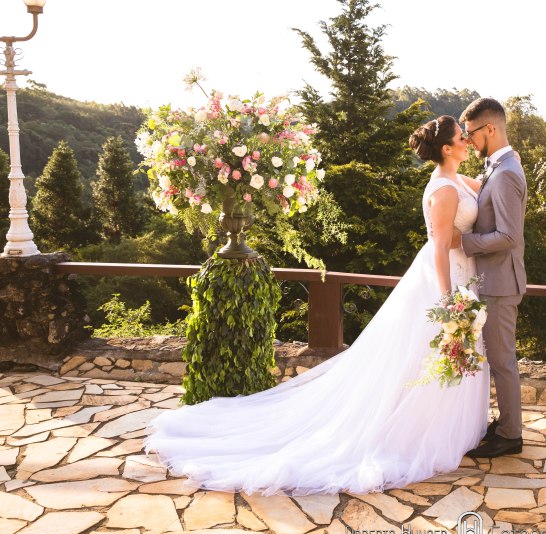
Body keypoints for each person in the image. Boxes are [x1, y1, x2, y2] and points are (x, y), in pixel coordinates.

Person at [144, 115, 490, 495]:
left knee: (438, 357)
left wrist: (508, 160)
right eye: (462, 137)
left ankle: (441, 426)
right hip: (444, 280)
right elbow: (440, 247)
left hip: (465, 275)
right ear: (446, 148)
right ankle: (415, 431)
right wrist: (446, 302)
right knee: (428, 354)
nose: (468, 142)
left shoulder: (458, 180)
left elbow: (488, 186)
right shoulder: (443, 190)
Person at [453, 98, 528, 459]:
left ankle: (511, 435)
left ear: (491, 129)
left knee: (502, 361)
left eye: (472, 134)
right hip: (492, 280)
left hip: (500, 282)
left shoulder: (508, 172)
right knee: (496, 359)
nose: (469, 141)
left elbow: (509, 236)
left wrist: (463, 242)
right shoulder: (499, 167)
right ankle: (503, 425)